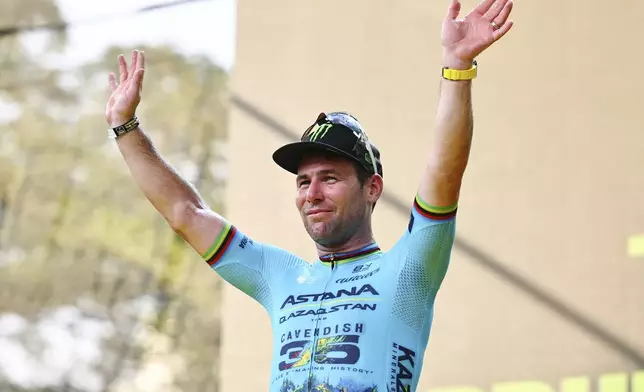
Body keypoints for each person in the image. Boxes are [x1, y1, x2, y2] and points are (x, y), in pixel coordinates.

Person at [104, 0, 514, 390]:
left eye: (330, 178)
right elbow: (186, 213)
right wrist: (125, 128)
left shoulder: (409, 271)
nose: (312, 193)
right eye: (303, 181)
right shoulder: (280, 276)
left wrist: (457, 67)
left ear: (372, 187)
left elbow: (445, 172)